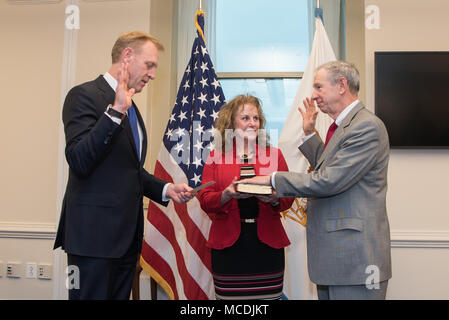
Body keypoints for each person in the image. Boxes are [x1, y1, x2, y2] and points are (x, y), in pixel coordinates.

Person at [54, 31, 194, 300]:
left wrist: (166, 190)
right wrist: (115, 112)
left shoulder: (131, 107)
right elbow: (79, 160)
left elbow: (128, 170)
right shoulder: (84, 96)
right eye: (150, 64)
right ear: (127, 56)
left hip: (126, 241)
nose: (152, 74)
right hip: (92, 241)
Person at [239, 61, 392, 300]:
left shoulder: (366, 127)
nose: (314, 95)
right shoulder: (343, 127)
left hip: (355, 261)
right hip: (335, 259)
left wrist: (272, 179)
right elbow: (331, 168)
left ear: (342, 85)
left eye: (319, 87)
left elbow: (329, 180)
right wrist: (310, 133)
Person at [198, 95, 294, 300]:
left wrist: (273, 199)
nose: (252, 123)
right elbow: (205, 200)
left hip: (267, 248)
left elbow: (288, 197)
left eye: (256, 118)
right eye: (245, 118)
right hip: (228, 250)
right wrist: (226, 195)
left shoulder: (275, 155)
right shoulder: (215, 157)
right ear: (231, 122)